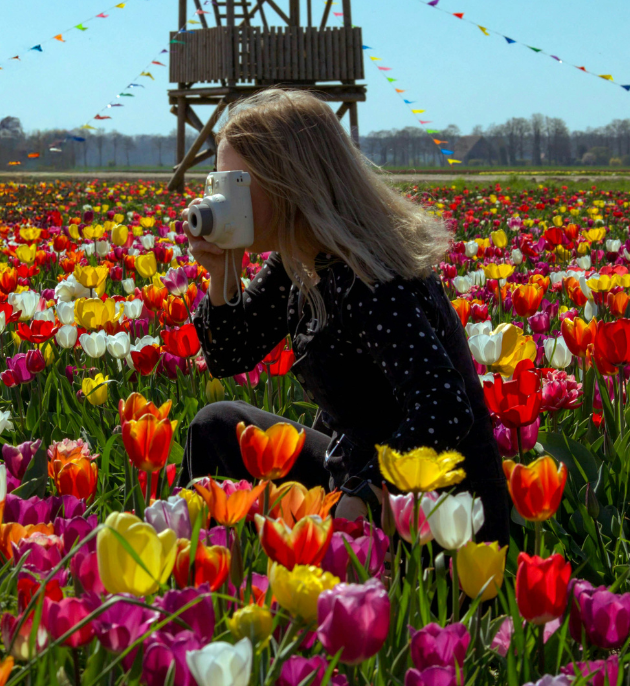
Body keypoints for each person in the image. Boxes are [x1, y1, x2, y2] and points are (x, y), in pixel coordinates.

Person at [178, 88, 508, 544]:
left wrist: (366, 494)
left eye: (237, 184)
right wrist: (223, 272)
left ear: (289, 181)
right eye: (218, 183)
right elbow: (230, 355)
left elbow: (443, 405)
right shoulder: (300, 257)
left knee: (223, 428)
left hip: (438, 507)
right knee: (215, 428)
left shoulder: (370, 274)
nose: (220, 202)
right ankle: (203, 574)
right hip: (354, 468)